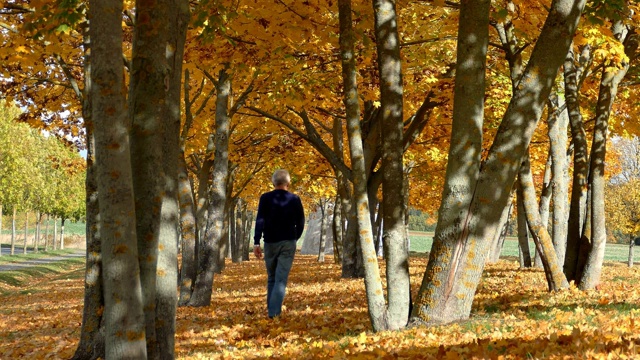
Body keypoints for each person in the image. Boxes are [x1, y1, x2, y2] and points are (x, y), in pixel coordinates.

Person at [253, 169, 305, 318]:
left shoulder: (265, 198)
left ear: (273, 182)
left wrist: (256, 242)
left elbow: (260, 220)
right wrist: (295, 237)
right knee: (280, 279)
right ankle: (273, 313)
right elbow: (301, 222)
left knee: (272, 278)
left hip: (270, 242)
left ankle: (272, 312)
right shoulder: (294, 199)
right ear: (288, 182)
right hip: (288, 241)